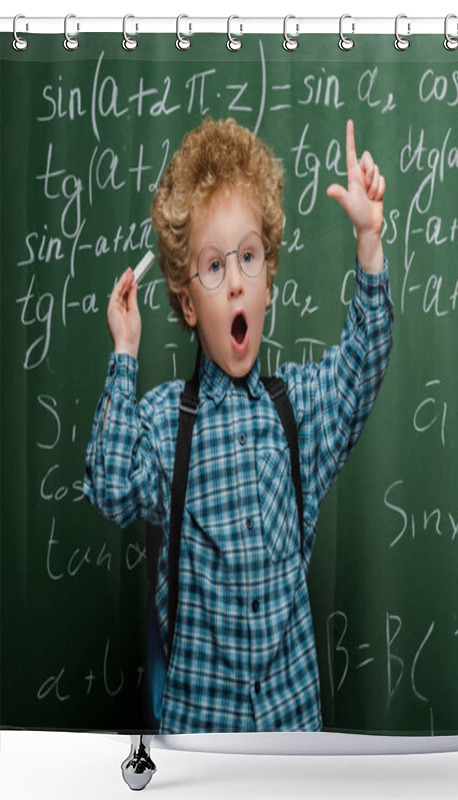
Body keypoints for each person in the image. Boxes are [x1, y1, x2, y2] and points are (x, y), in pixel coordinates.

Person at [83, 117, 393, 733]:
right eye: (214, 267)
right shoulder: (166, 423)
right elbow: (112, 484)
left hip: (293, 736)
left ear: (269, 279)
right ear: (189, 304)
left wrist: (370, 240)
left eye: (248, 258)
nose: (235, 285)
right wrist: (124, 352)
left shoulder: (299, 410)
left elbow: (363, 363)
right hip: (202, 743)